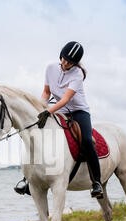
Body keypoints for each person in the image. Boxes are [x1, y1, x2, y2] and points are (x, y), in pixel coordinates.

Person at [14, 41, 104, 199]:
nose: (65, 62)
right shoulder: (50, 68)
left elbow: (66, 99)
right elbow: (46, 92)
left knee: (88, 141)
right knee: (37, 135)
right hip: (58, 110)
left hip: (78, 111)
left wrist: (48, 111)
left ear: (75, 63)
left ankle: (96, 181)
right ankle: (29, 178)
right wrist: (41, 107)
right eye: (64, 58)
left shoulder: (77, 74)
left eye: (69, 61)